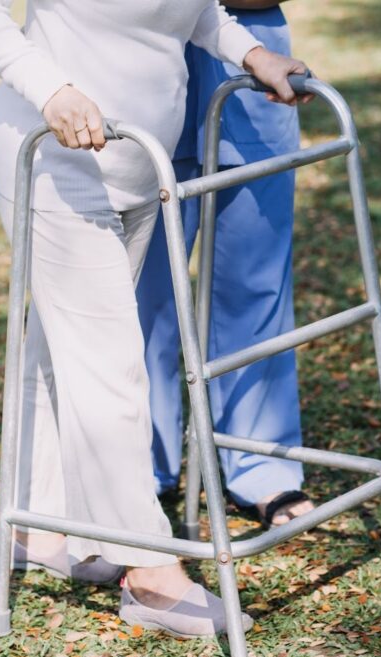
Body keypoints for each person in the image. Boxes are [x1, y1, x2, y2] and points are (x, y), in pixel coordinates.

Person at [0, 0, 310, 637]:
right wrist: (50, 89)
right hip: (55, 161)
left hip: (138, 166)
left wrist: (255, 55)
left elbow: (199, 11)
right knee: (108, 364)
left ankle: (36, 525)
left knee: (58, 349)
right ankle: (149, 573)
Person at [136, 0, 315, 528]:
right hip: (147, 56)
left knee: (255, 283)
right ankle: (138, 464)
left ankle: (260, 463)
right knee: (143, 295)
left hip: (252, 69)